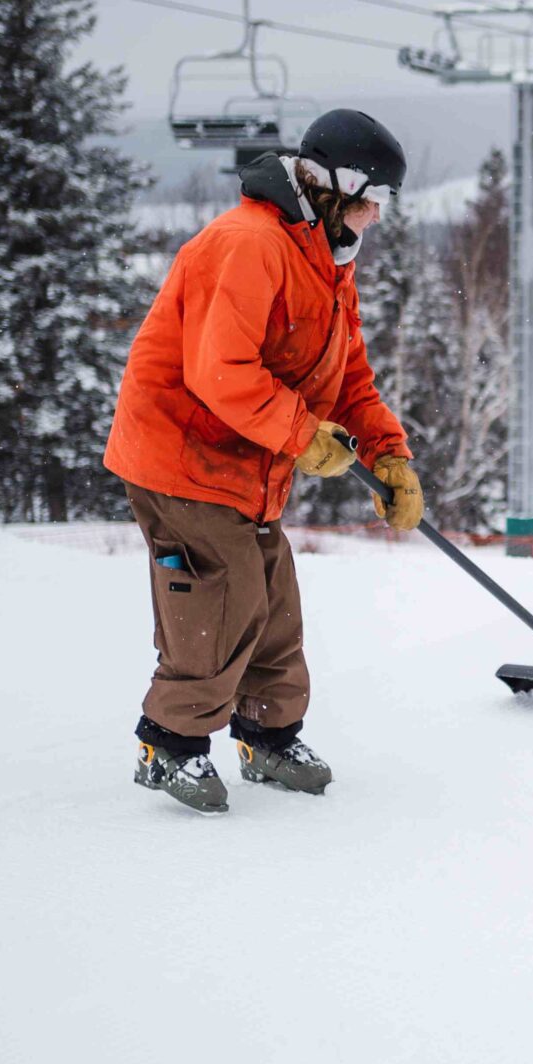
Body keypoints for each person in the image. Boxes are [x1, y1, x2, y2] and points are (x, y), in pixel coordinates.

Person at [102, 109, 425, 811]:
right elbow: (221, 370)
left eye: (386, 203)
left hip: (246, 457)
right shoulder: (252, 243)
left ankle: (268, 734)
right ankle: (169, 743)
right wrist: (303, 435)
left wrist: (387, 453)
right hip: (180, 449)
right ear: (336, 185)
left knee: (274, 599)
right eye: (374, 198)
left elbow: (351, 381)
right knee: (224, 590)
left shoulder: (328, 263)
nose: (377, 216)